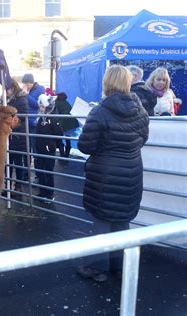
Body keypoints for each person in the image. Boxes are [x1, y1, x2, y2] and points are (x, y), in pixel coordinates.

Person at [76, 65, 149, 282]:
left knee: (102, 221)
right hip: (132, 171)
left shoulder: (99, 112)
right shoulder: (140, 110)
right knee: (122, 219)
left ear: (107, 82)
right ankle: (119, 266)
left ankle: (97, 269)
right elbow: (143, 139)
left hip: (105, 174)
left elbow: (85, 145)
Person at [34, 95, 63, 204]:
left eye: (42, 106)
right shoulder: (41, 117)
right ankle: (43, 192)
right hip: (40, 148)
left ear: (47, 106)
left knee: (48, 172)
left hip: (48, 150)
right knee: (40, 171)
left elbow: (59, 134)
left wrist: (55, 146)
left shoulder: (53, 118)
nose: (40, 108)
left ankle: (50, 194)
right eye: (40, 106)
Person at [6, 79, 29, 197]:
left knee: (18, 161)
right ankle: (7, 186)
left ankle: (18, 186)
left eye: (7, 89)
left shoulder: (21, 100)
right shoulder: (8, 99)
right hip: (9, 135)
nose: (6, 91)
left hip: (18, 135)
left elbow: (24, 116)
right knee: (7, 161)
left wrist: (10, 122)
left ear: (13, 88)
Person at [21, 73, 45, 158]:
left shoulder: (40, 89)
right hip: (25, 122)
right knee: (26, 147)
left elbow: (36, 104)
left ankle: (37, 166)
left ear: (31, 82)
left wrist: (26, 95)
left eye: (27, 83)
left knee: (34, 146)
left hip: (34, 122)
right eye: (24, 83)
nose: (25, 85)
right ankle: (26, 168)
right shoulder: (26, 90)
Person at [54, 92, 79, 160]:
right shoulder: (66, 102)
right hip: (71, 122)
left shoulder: (57, 103)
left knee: (59, 139)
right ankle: (66, 156)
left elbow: (55, 114)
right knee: (68, 138)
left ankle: (62, 156)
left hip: (63, 122)